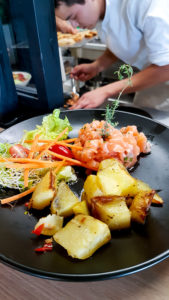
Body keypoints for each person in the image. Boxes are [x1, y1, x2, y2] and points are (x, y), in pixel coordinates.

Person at [54, 0, 169, 111]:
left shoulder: (147, 5)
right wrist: (97, 66)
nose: (74, 25)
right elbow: (122, 41)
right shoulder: (100, 12)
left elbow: (165, 67)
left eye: (73, 17)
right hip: (150, 80)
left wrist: (105, 91)